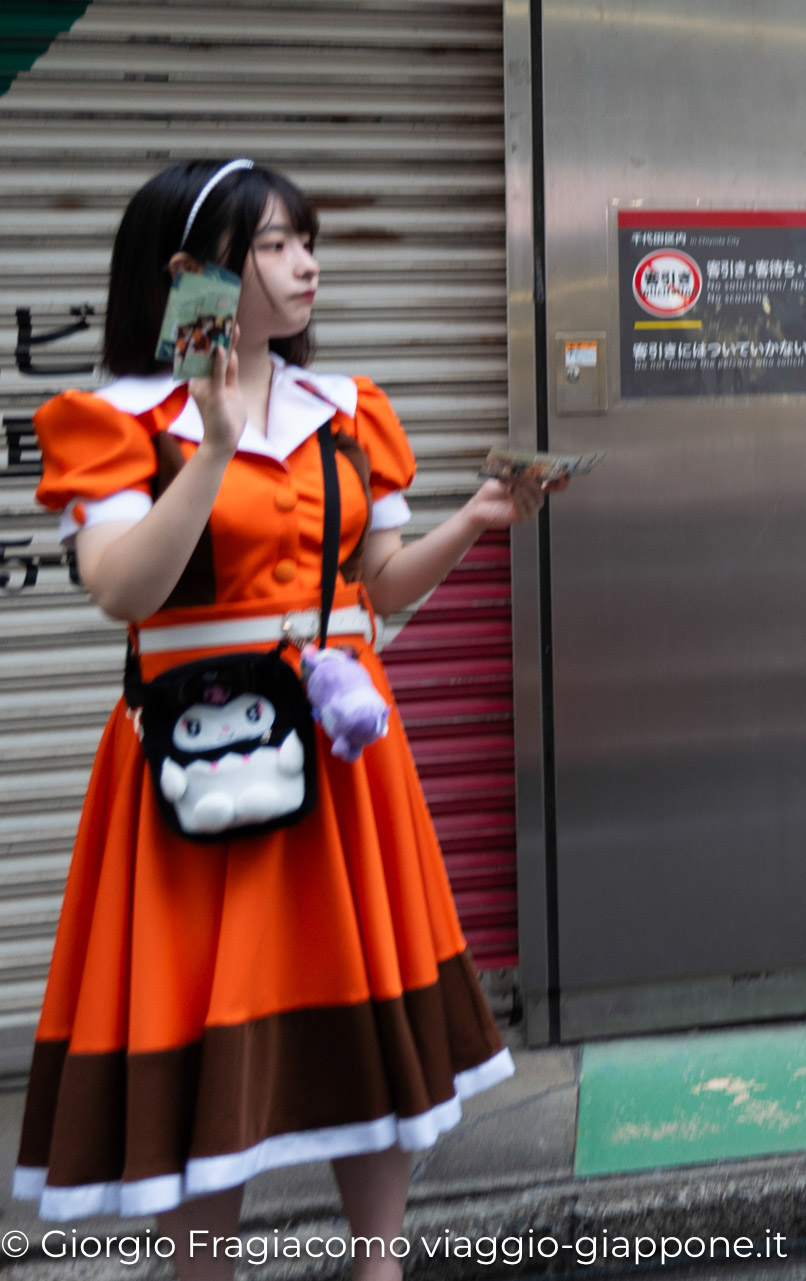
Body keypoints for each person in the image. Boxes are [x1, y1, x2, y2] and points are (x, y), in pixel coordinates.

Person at [11, 159, 560, 1280]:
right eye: (272, 245)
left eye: (306, 241)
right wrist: (211, 443)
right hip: (191, 755)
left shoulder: (348, 410)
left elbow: (380, 586)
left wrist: (479, 518)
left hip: (343, 751)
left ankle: (379, 1264)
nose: (305, 264)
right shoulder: (114, 419)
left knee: (362, 1000)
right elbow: (123, 590)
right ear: (196, 272)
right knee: (209, 1016)